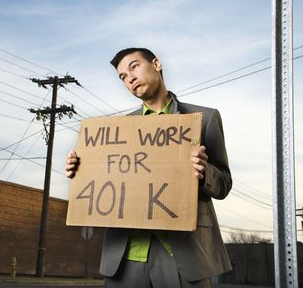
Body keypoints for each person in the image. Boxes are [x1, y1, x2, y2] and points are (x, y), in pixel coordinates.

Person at [65, 47, 232, 288]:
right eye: (122, 76)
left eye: (134, 67)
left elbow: (224, 183)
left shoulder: (203, 119)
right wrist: (80, 169)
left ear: (156, 64)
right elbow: (106, 178)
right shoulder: (118, 131)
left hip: (183, 255)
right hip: (125, 257)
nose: (129, 78)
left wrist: (205, 171)